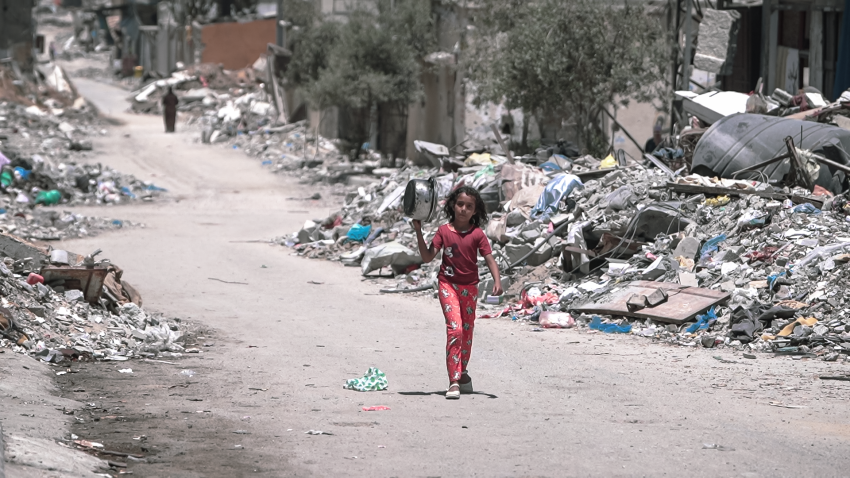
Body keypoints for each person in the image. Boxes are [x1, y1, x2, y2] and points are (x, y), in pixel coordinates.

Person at [412, 186, 503, 400]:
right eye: (460, 204)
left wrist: (497, 281)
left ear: (475, 211)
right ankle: (453, 381)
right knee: (456, 330)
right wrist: (418, 230)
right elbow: (427, 257)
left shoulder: (477, 234)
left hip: (470, 288)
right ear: (453, 205)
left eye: (469, 206)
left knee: (467, 334)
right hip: (447, 285)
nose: (463, 209)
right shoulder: (444, 232)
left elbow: (489, 259)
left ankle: (462, 373)